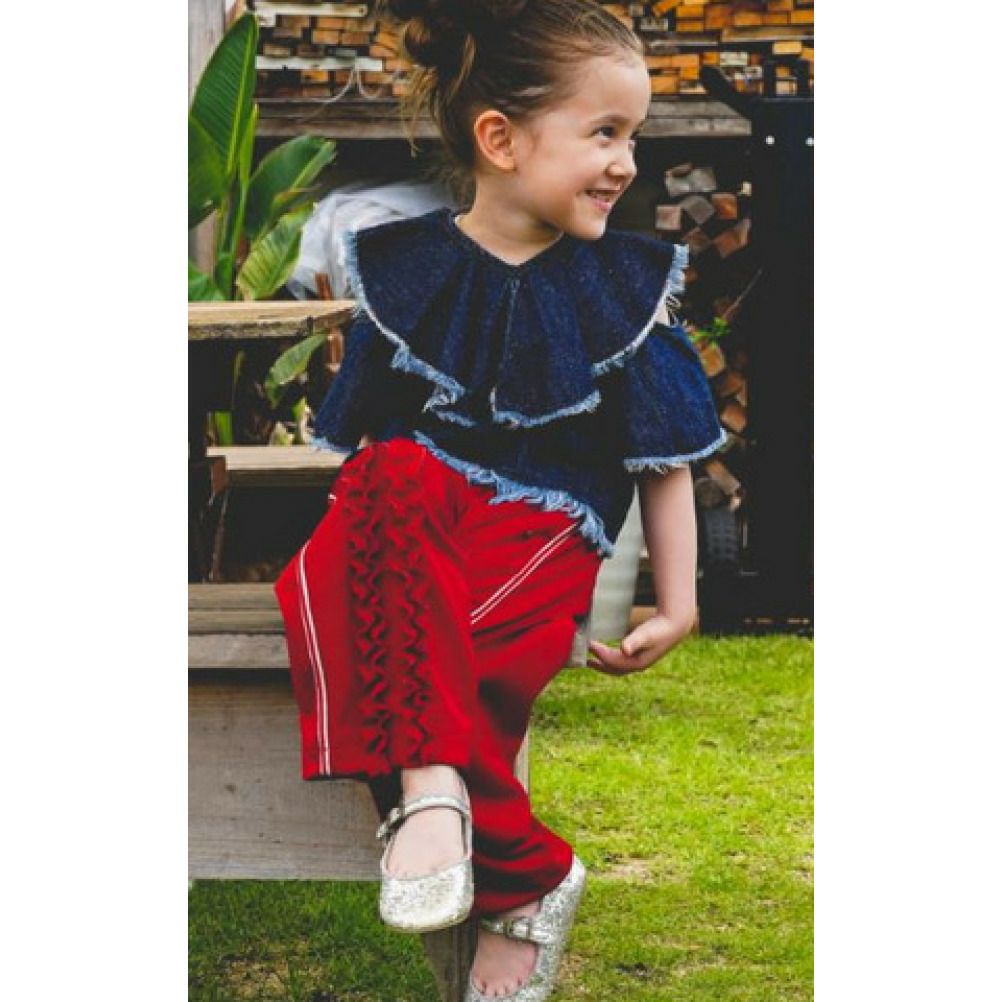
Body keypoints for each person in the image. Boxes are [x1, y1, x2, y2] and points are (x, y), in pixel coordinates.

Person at [273, 1, 727, 998]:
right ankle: (476, 825)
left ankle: (474, 829)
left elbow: (666, 459)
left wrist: (680, 599)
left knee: (425, 647)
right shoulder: (407, 271)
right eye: (604, 133)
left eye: (634, 137)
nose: (627, 163)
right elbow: (363, 450)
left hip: (540, 540)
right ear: (501, 138)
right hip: (419, 533)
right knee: (382, 486)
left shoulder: (622, 289)